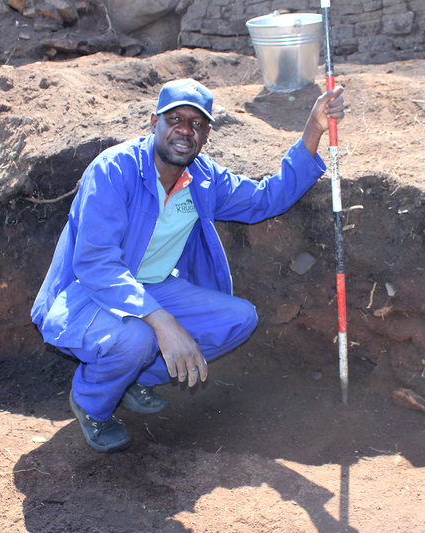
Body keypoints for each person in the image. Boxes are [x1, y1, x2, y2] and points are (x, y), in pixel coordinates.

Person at [31, 78, 345, 453]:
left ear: (207, 134)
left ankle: (135, 377)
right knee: (138, 338)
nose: (185, 129)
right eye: (175, 118)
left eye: (197, 123)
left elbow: (265, 200)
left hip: (156, 286)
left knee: (238, 319)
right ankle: (91, 404)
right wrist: (161, 321)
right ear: (153, 122)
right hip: (89, 292)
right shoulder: (114, 171)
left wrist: (313, 127)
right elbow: (97, 263)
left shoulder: (205, 179)